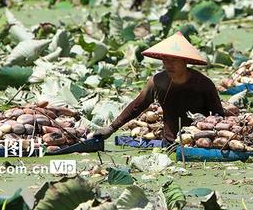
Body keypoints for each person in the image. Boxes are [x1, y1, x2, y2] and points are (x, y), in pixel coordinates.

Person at [93, 31, 224, 143]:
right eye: (165, 59)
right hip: (168, 142)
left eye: (173, 60)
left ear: (185, 60)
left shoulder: (203, 84)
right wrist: (111, 128)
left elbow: (218, 115)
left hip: (196, 142)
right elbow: (136, 106)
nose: (168, 64)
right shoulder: (157, 81)